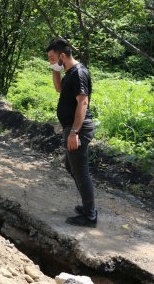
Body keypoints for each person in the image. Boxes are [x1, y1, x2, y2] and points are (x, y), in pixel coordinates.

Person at [46, 37, 97, 227]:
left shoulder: (79, 73)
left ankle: (90, 215)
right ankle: (87, 207)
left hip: (79, 129)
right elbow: (59, 88)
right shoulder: (69, 72)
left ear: (62, 56)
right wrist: (55, 70)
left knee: (80, 171)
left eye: (52, 58)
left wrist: (74, 132)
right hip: (71, 128)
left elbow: (83, 102)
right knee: (71, 167)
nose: (50, 61)